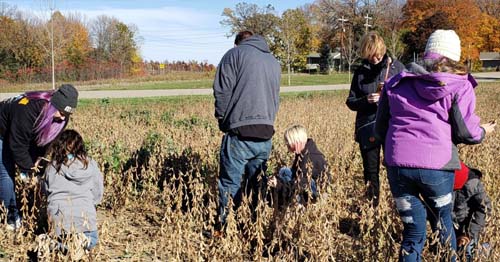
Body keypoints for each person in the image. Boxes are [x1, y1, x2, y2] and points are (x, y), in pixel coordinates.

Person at [375, 29, 496, 260]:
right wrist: (483, 131)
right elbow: (466, 132)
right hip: (437, 168)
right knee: (443, 225)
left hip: (398, 166)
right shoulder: (460, 85)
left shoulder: (395, 82)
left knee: (412, 231)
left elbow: (380, 128)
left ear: (426, 53)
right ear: (454, 55)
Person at [213, 30, 281, 232]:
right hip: (266, 132)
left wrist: (223, 121)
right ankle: (254, 225)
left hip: (238, 132)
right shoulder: (273, 61)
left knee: (229, 183)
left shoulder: (233, 55)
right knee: (257, 183)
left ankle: (225, 228)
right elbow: (276, 97)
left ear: (237, 43)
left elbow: (222, 91)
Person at [0, 84, 78, 230]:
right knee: (5, 173)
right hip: (2, 131)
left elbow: (43, 144)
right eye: (61, 112)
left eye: (67, 115)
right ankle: (11, 218)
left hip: (19, 134)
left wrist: (38, 167)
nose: (63, 118)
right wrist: (29, 170)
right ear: (53, 106)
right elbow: (18, 145)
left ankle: (31, 207)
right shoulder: (28, 109)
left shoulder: (61, 118)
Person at [346, 31, 404, 206]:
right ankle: (372, 207)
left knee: (396, 169)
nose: (375, 59)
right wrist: (366, 100)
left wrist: (387, 96)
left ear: (382, 50)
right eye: (371, 56)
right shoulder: (360, 73)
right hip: (368, 127)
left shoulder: (397, 68)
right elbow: (350, 101)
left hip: (392, 126)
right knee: (370, 172)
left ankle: (399, 206)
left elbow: (407, 99)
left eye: (377, 55)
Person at [43, 129, 104, 251]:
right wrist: (90, 204)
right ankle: (75, 246)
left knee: (59, 240)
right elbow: (98, 193)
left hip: (58, 225)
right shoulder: (91, 164)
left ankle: (57, 245)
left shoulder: (51, 167)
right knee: (92, 240)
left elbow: (46, 192)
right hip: (85, 224)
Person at [268, 124, 329, 210]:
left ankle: (298, 203)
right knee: (284, 171)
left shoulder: (308, 158)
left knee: (292, 183)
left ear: (296, 142)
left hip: (318, 190)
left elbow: (299, 183)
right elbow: (296, 172)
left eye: (288, 143)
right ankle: (284, 196)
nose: (287, 145)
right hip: (305, 181)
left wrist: (278, 184)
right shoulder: (303, 150)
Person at [453, 162, 491, 262]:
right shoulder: (435, 180)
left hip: (469, 227)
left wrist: (470, 234)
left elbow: (484, 209)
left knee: (470, 251)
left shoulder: (472, 184)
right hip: (451, 226)